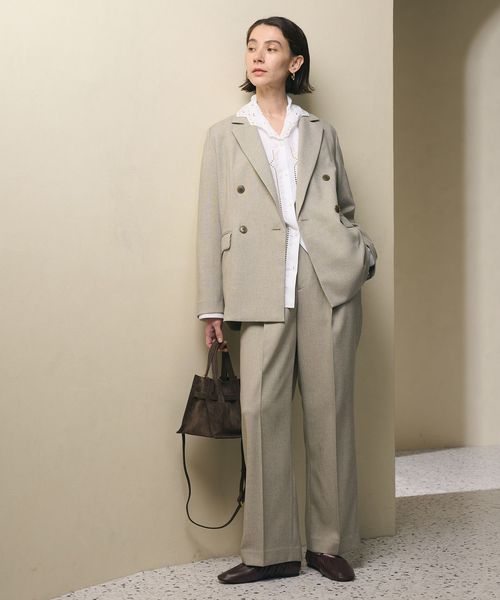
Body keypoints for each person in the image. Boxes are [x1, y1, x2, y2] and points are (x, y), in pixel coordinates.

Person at [196, 16, 378, 585]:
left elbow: (344, 206)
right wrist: (211, 305)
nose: (257, 55)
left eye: (271, 47)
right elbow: (210, 223)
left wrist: (360, 254)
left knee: (330, 413)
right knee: (260, 412)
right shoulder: (225, 133)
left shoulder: (320, 131)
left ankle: (328, 544)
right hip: (258, 282)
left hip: (326, 282)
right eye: (251, 46)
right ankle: (270, 551)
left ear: (294, 62)